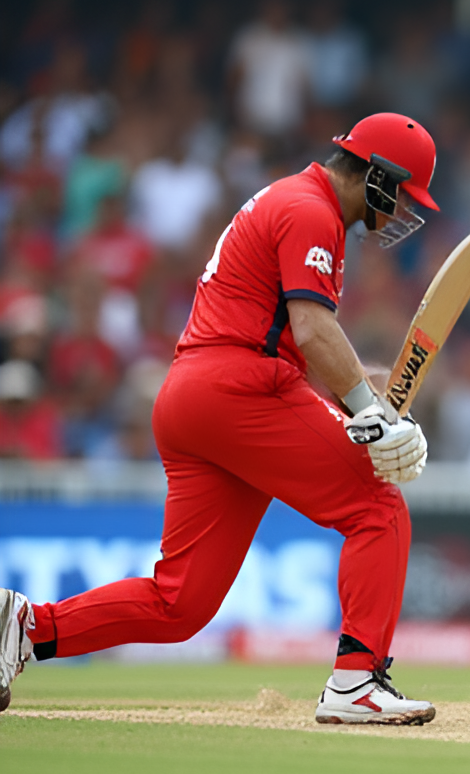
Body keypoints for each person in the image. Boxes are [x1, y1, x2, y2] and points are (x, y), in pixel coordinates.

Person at [1, 113, 441, 725]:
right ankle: (356, 683)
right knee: (378, 507)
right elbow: (312, 332)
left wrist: (373, 406)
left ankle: (24, 629)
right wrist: (369, 415)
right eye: (401, 194)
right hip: (242, 388)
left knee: (180, 604)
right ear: (374, 174)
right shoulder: (312, 210)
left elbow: (300, 337)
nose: (398, 215)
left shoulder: (292, 199)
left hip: (191, 397)